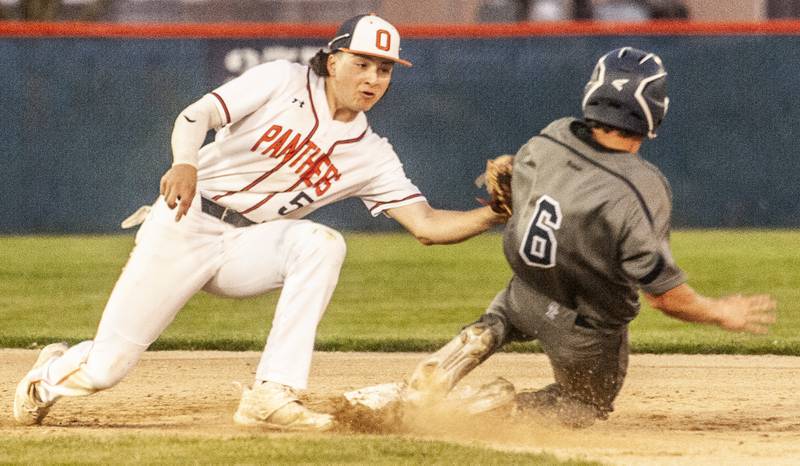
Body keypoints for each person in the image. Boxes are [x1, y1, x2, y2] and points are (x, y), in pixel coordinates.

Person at [13, 14, 507, 431]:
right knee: (104, 371)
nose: (373, 78)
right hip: (187, 221)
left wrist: (495, 213)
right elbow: (197, 114)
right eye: (362, 63)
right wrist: (185, 161)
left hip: (247, 246)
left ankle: (271, 392)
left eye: (384, 69)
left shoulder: (372, 154)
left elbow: (425, 224)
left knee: (321, 242)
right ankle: (48, 374)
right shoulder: (282, 80)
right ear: (333, 60)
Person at [404, 47, 777, 428]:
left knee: (502, 316)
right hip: (584, 328)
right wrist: (718, 311)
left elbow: (513, 185)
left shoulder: (551, 137)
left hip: (523, 295)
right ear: (655, 109)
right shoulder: (641, 188)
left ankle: (483, 334)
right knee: (585, 404)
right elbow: (665, 296)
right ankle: (482, 407)